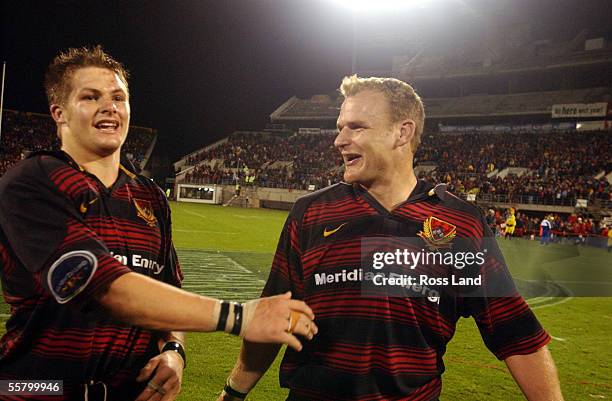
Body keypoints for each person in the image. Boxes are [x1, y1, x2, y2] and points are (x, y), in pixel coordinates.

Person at [0, 46, 317, 400]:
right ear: (58, 112)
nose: (110, 106)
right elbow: (99, 287)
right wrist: (238, 317)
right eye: (90, 97)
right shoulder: (32, 181)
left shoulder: (149, 197)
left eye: (118, 97)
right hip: (37, 391)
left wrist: (174, 351)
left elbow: (168, 289)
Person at [218, 76, 563, 401]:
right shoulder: (311, 213)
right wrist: (233, 392)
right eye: (340, 128)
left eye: (356, 127)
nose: (338, 140)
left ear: (402, 132)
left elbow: (516, 335)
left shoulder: (459, 223)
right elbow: (273, 317)